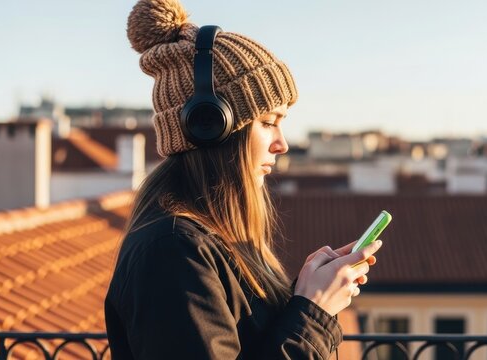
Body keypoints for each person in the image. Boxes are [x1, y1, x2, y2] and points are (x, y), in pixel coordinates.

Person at [104, 0, 383, 359]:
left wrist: (305, 293)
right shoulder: (172, 252)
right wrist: (313, 314)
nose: (282, 144)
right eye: (269, 122)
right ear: (209, 124)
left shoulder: (210, 242)